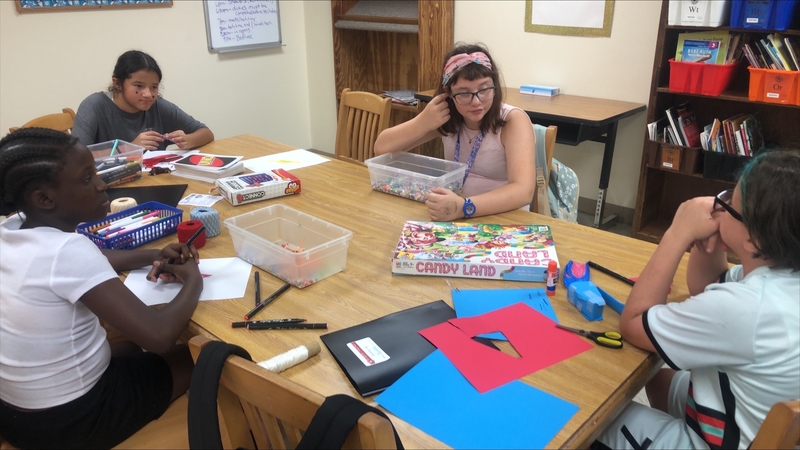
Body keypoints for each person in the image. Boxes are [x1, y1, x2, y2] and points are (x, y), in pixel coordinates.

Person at [0, 128, 204, 448]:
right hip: (73, 423)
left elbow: (84, 263)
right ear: (44, 198)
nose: (101, 184)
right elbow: (160, 336)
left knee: (129, 349)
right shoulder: (67, 251)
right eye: (86, 179)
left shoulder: (11, 228)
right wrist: (193, 279)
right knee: (205, 355)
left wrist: (152, 254)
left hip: (16, 417)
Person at [594, 149, 800, 449]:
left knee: (597, 417)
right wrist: (713, 238)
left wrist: (679, 232)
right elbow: (707, 288)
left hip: (726, 441)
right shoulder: (777, 275)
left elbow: (634, 322)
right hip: (754, 420)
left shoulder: (745, 308)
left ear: (752, 240)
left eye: (731, 204)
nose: (722, 204)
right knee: (660, 380)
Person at [373, 43, 535, 221]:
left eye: (484, 89)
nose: (476, 101)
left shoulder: (513, 121)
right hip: (456, 214)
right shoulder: (449, 116)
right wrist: (422, 122)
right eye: (464, 93)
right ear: (448, 93)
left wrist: (465, 207)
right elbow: (381, 148)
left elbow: (523, 190)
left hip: (505, 218)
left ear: (494, 85)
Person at [72, 50, 214, 151]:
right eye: (139, 86)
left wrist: (187, 140)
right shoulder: (94, 106)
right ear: (117, 83)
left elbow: (206, 133)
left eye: (154, 87)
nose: (148, 94)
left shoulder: (157, 106)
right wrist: (130, 149)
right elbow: (76, 158)